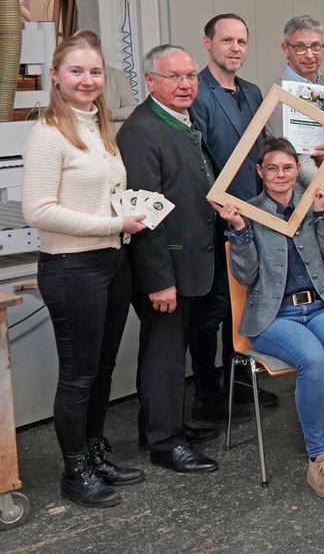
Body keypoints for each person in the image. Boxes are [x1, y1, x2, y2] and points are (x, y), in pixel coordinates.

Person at [22, 33, 148, 507]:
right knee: (78, 375)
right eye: (76, 71)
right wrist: (114, 222)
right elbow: (38, 211)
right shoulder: (48, 133)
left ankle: (94, 454)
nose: (87, 80)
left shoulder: (99, 129)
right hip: (71, 267)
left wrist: (126, 222)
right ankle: (75, 472)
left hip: (112, 261)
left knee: (102, 368)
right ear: (56, 76)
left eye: (95, 72)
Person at [218, 139, 324, 499]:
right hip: (274, 314)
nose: (280, 175)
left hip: (318, 306)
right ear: (259, 172)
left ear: (297, 170)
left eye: (287, 167)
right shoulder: (248, 212)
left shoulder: (309, 206)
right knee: (311, 361)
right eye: (272, 168)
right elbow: (246, 275)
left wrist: (323, 214)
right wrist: (239, 232)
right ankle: (318, 459)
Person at [117, 45, 220, 474]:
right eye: (174, 77)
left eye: (191, 76)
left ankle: (160, 425)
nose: (185, 84)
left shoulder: (183, 120)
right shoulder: (141, 131)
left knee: (170, 351)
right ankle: (166, 443)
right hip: (168, 269)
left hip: (196, 261)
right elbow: (142, 213)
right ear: (150, 81)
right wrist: (159, 279)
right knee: (164, 355)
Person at [188, 13, 271, 423]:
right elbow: (198, 159)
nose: (235, 48)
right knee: (213, 309)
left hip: (252, 215)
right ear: (208, 43)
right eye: (227, 40)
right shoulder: (196, 93)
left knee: (242, 305)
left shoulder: (254, 92)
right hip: (214, 219)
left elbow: (265, 149)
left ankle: (239, 383)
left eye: (241, 41)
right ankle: (208, 394)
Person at [269, 14, 324, 186]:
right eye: (300, 47)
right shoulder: (278, 95)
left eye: (315, 46)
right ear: (285, 48)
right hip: (301, 194)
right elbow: (296, 156)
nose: (309, 55)